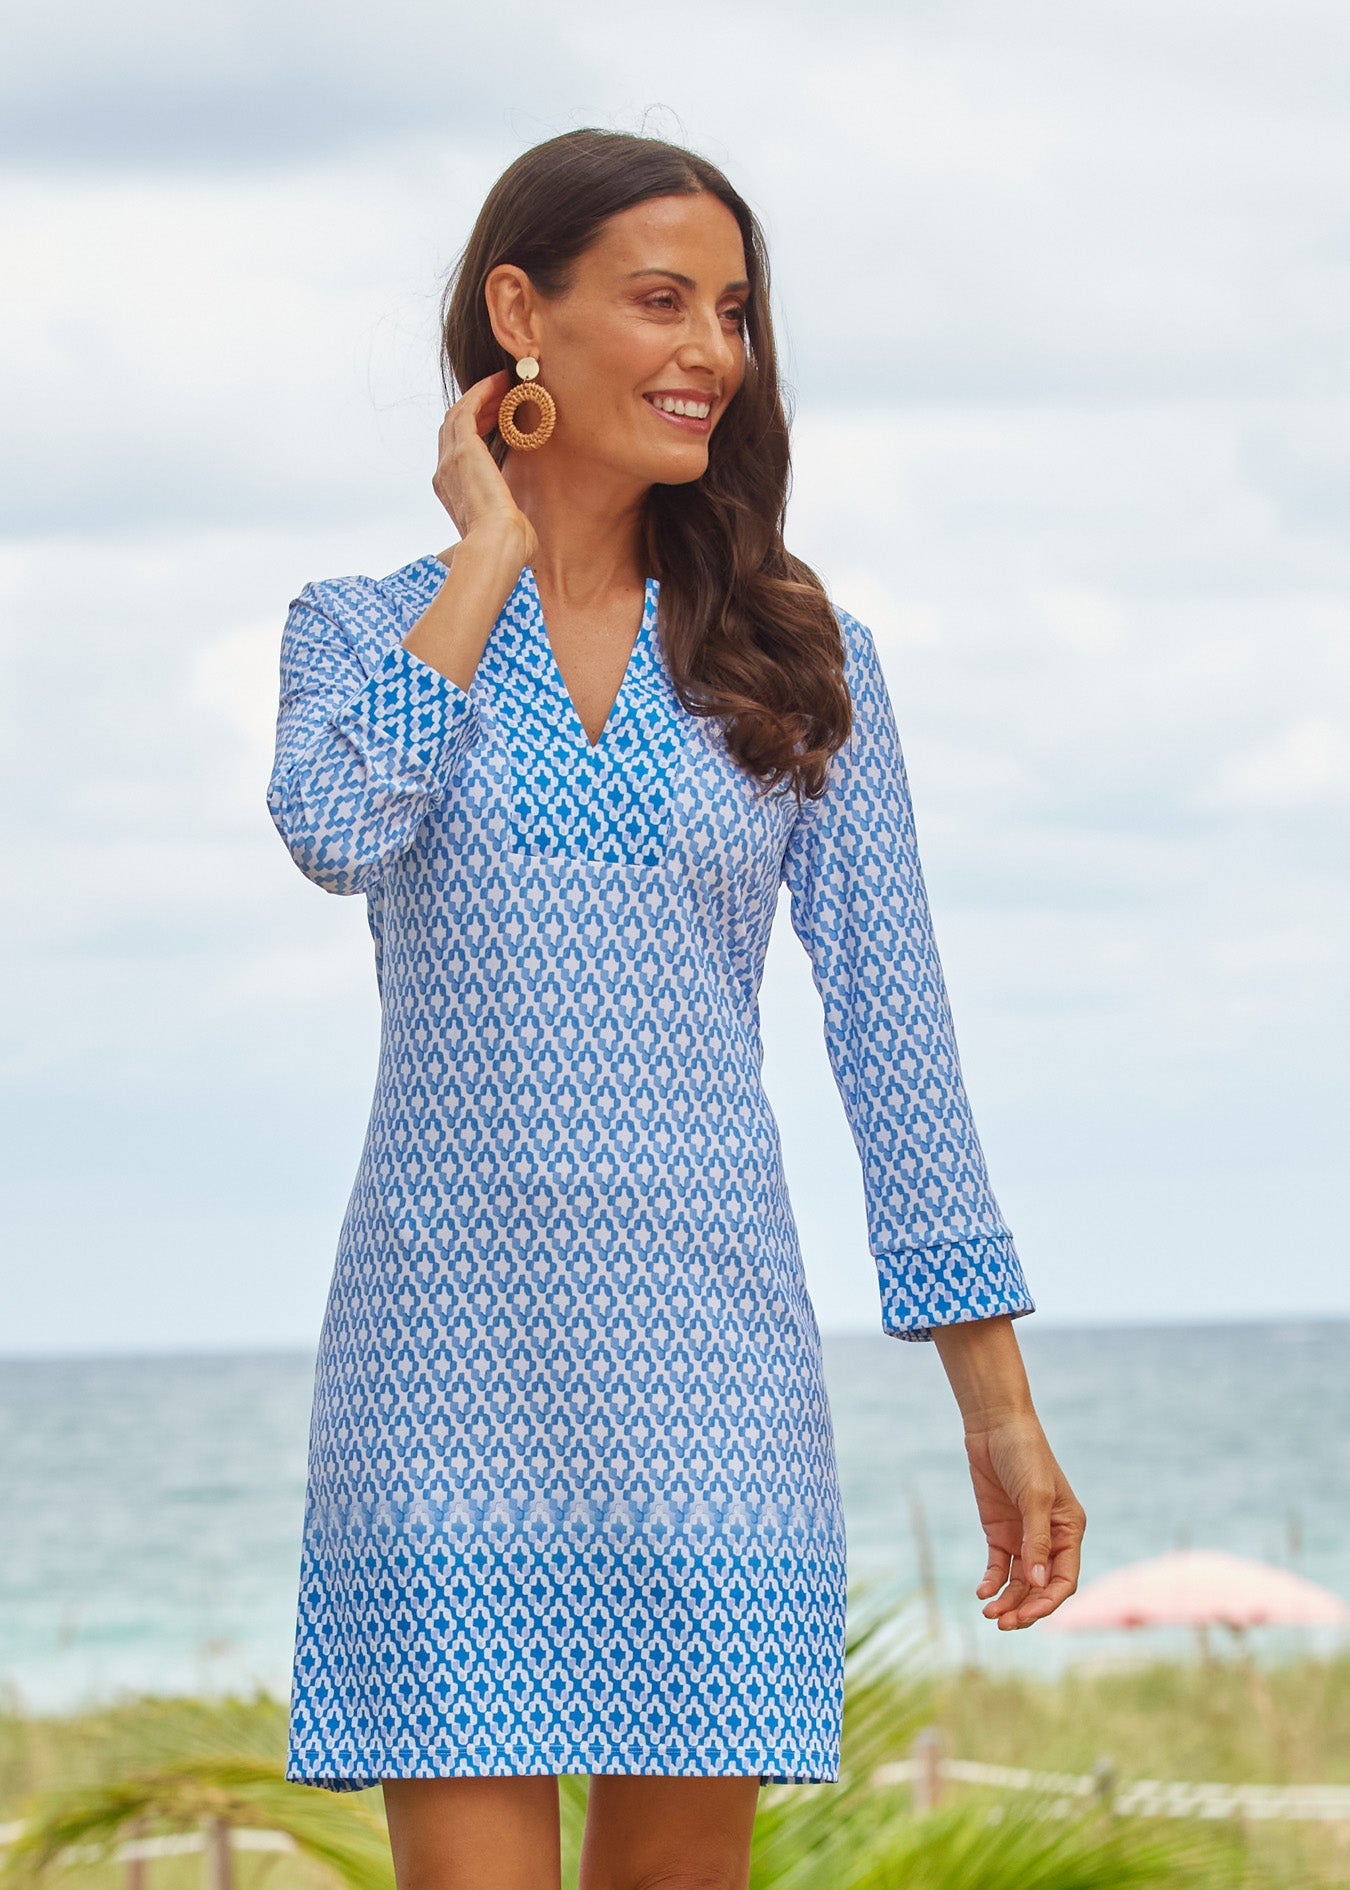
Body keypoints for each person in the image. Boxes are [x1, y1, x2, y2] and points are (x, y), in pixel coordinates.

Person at [265, 127, 1086, 1890]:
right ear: (519, 316)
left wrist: (993, 1403)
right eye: (660, 301)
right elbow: (335, 831)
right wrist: (484, 554)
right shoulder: (358, 631)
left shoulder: (797, 654)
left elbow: (899, 1041)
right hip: (444, 1358)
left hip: (708, 1371)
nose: (713, 350)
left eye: (734, 310)